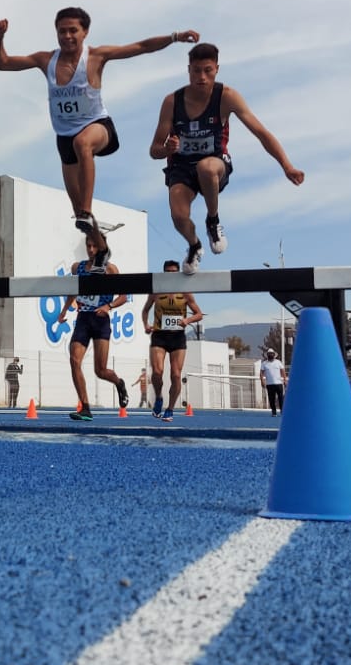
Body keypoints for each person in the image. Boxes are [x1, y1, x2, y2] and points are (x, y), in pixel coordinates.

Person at [0, 8, 198, 262]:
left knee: (83, 143)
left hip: (98, 127)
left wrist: (175, 36)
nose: (67, 36)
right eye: (62, 31)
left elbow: (142, 46)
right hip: (64, 138)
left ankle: (87, 210)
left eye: (73, 31)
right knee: (78, 211)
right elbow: (1, 64)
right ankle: (101, 248)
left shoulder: (97, 56)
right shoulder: (46, 60)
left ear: (85, 32)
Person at [150, 42, 304, 274]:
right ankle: (194, 245)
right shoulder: (172, 102)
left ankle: (213, 220)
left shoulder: (227, 97)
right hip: (181, 167)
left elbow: (261, 133)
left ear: (217, 69)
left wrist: (287, 166)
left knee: (207, 167)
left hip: (215, 163)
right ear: (188, 70)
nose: (201, 77)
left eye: (208, 70)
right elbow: (154, 150)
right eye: (196, 71)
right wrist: (167, 149)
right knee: (179, 217)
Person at [55, 235, 130, 420]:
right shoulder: (77, 268)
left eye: (94, 246)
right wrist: (64, 311)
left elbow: (123, 296)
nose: (90, 249)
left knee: (100, 370)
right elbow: (74, 290)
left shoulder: (110, 269)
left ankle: (119, 383)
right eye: (88, 246)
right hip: (83, 318)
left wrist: (108, 307)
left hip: (101, 319)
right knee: (74, 360)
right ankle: (85, 407)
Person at [141, 261, 204, 420]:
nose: (171, 274)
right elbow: (145, 310)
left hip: (177, 336)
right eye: (167, 272)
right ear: (163, 272)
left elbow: (199, 314)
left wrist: (187, 321)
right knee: (157, 371)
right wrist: (146, 324)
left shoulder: (185, 292)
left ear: (178, 273)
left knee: (176, 375)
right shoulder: (156, 290)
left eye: (174, 271)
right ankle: (159, 397)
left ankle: (170, 408)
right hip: (159, 335)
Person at [259, 348, 287, 416]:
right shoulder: (264, 363)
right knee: (271, 399)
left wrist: (285, 380)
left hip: (279, 384)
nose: (271, 355)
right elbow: (261, 373)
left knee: (281, 398)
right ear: (267, 355)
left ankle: (282, 411)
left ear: (274, 355)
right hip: (269, 384)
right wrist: (262, 381)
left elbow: (283, 371)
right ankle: (273, 412)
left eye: (272, 353)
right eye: (269, 354)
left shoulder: (278, 362)